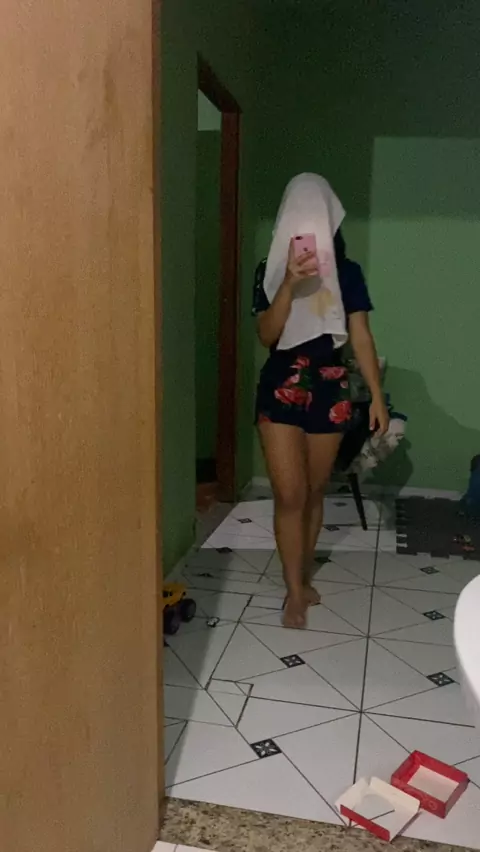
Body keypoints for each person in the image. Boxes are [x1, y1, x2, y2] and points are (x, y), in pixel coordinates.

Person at [253, 173, 388, 629]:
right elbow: (266, 335)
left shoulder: (348, 273)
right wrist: (288, 285)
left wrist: (377, 397)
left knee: (313, 491)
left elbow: (361, 336)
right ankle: (294, 590)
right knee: (289, 493)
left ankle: (304, 576)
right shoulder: (269, 270)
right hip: (281, 382)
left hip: (330, 384)